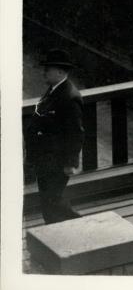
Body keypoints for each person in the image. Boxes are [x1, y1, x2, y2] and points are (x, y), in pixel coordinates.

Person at [24, 49, 84, 224]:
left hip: (57, 161)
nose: (44, 72)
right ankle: (65, 224)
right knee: (50, 198)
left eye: (48, 69)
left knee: (51, 200)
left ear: (59, 72)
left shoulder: (69, 97)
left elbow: (76, 133)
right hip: (46, 159)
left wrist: (70, 163)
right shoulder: (54, 90)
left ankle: (60, 229)